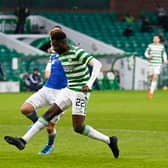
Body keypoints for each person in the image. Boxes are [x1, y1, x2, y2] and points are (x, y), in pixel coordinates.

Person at [4, 30, 119, 158]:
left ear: (63, 43)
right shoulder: (58, 50)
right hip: (68, 89)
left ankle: (110, 140)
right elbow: (53, 41)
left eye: (56, 45)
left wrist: (90, 83)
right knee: (48, 114)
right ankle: (23, 140)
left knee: (78, 127)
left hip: (81, 92)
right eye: (53, 46)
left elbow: (97, 64)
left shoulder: (77, 52)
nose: (54, 48)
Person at [16, 26, 66, 154]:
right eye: (52, 34)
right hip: (47, 89)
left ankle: (50, 145)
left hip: (60, 94)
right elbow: (47, 75)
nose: (52, 36)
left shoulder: (68, 52)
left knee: (50, 127)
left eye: (55, 33)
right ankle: (37, 122)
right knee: (25, 109)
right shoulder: (53, 54)